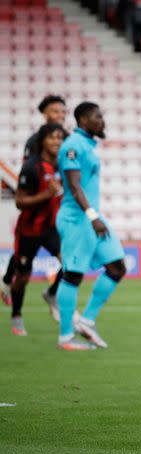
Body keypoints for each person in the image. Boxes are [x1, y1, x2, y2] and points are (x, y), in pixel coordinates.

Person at [56, 102, 127, 350]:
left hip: (92, 217)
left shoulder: (87, 144)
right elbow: (74, 186)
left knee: (117, 267)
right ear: (84, 119)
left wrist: (94, 216)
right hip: (77, 219)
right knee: (73, 275)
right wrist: (91, 215)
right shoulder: (73, 146)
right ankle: (65, 336)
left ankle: (85, 321)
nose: (102, 121)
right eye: (98, 117)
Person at [2, 95, 67, 307]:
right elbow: (29, 173)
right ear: (44, 113)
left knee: (68, 260)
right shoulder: (34, 141)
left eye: (63, 112)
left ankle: (50, 292)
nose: (60, 115)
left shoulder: (67, 138)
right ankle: (7, 284)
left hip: (56, 211)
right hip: (37, 208)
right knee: (25, 252)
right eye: (55, 111)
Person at [8, 123, 66, 336]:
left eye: (60, 138)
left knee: (69, 262)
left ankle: (51, 293)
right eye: (52, 137)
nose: (56, 142)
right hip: (29, 230)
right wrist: (45, 195)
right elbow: (19, 202)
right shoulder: (32, 167)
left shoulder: (62, 165)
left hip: (51, 228)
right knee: (22, 277)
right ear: (43, 141)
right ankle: (16, 315)